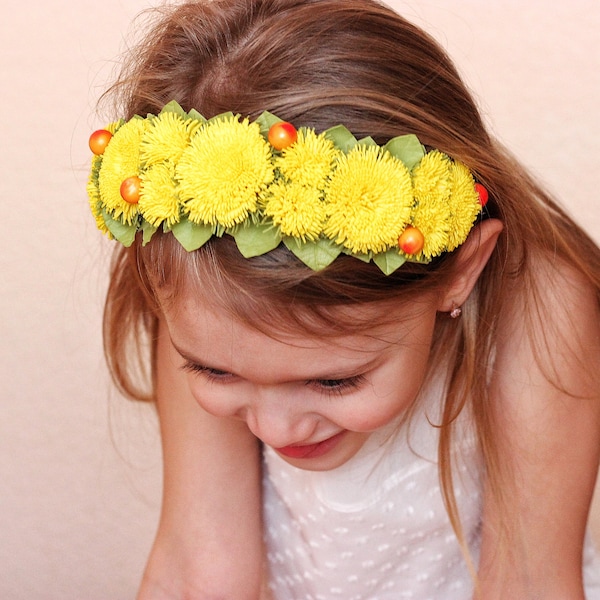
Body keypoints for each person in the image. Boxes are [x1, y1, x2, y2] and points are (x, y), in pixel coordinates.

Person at [87, 0, 600, 597]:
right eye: (216, 373)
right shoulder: (200, 290)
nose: (276, 428)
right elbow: (198, 568)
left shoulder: (542, 311)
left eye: (334, 382)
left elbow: (529, 583)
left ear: (460, 271)